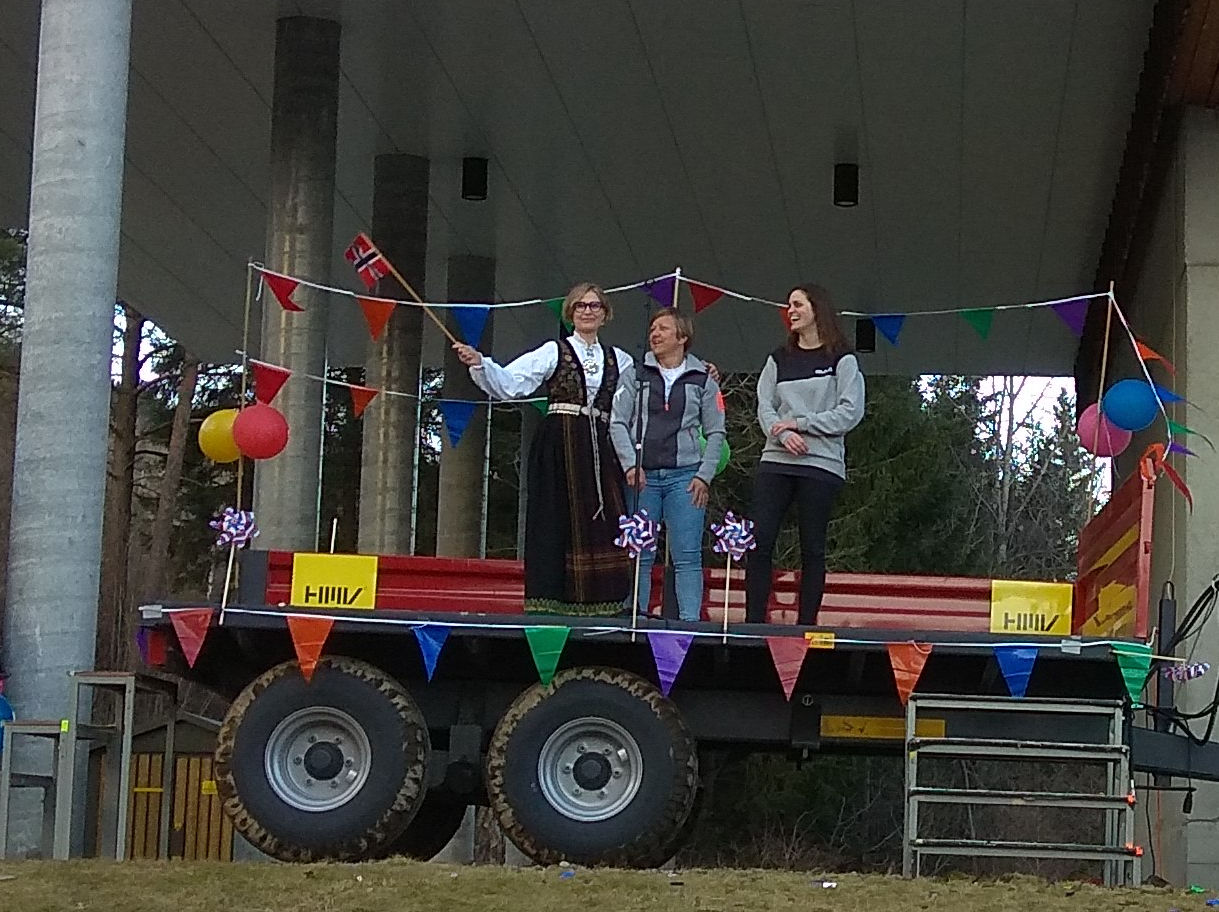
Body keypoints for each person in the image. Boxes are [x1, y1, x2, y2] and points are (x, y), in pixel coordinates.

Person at [453, 283, 632, 616]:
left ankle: (601, 601)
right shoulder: (553, 351)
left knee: (604, 516)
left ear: (605, 314)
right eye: (580, 306)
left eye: (594, 306)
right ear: (570, 313)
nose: (587, 311)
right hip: (559, 442)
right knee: (555, 517)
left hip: (600, 444)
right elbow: (511, 383)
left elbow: (639, 398)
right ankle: (551, 600)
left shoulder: (620, 360)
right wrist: (480, 362)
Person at [745, 284, 865, 625]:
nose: (791, 311)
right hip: (776, 460)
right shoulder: (778, 358)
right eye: (788, 306)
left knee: (812, 546)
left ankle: (805, 626)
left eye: (797, 304)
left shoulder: (842, 359)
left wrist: (800, 424)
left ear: (817, 309)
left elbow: (850, 412)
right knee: (760, 538)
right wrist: (783, 436)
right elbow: (764, 407)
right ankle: (753, 624)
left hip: (821, 465)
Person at [610, 310, 725, 622]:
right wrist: (629, 465)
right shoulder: (635, 374)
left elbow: (716, 431)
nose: (654, 334)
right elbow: (617, 421)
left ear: (682, 338)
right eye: (652, 328)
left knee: (687, 554)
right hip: (642, 476)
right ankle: (637, 616)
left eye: (663, 328)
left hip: (686, 477)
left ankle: (690, 622)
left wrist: (705, 475)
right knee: (640, 552)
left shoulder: (703, 380)